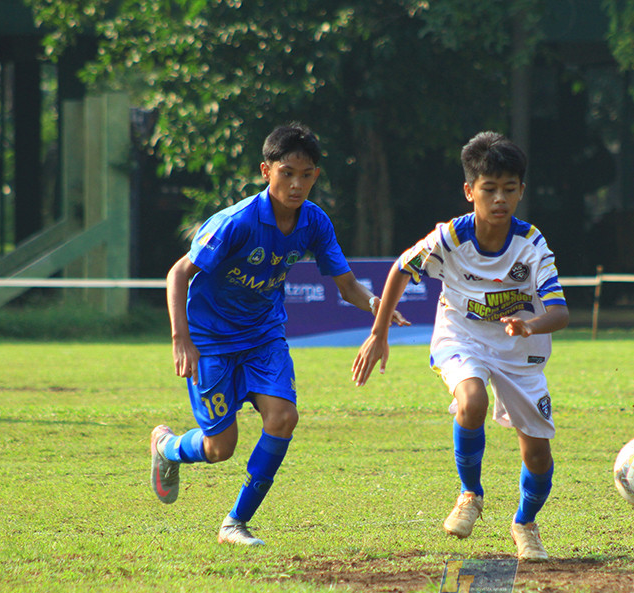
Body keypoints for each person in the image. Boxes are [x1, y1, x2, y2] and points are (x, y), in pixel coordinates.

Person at [150, 122, 407, 546]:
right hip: (211, 339)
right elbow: (179, 272)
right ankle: (168, 448)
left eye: (306, 175)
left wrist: (376, 305)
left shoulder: (314, 223)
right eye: (287, 172)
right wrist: (182, 339)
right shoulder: (236, 221)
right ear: (265, 170)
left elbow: (346, 285)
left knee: (284, 417)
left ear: (316, 177)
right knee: (220, 448)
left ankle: (234, 523)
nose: (296, 184)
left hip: (264, 335)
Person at [352, 131, 569, 561]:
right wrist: (378, 332)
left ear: (521, 191)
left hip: (519, 352)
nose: (499, 198)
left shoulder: (532, 244)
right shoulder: (449, 238)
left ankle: (525, 523)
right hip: (462, 336)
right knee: (471, 401)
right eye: (489, 189)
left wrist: (531, 326)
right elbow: (400, 269)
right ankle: (470, 494)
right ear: (470, 192)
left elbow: (561, 313)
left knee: (538, 454)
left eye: (509, 189)